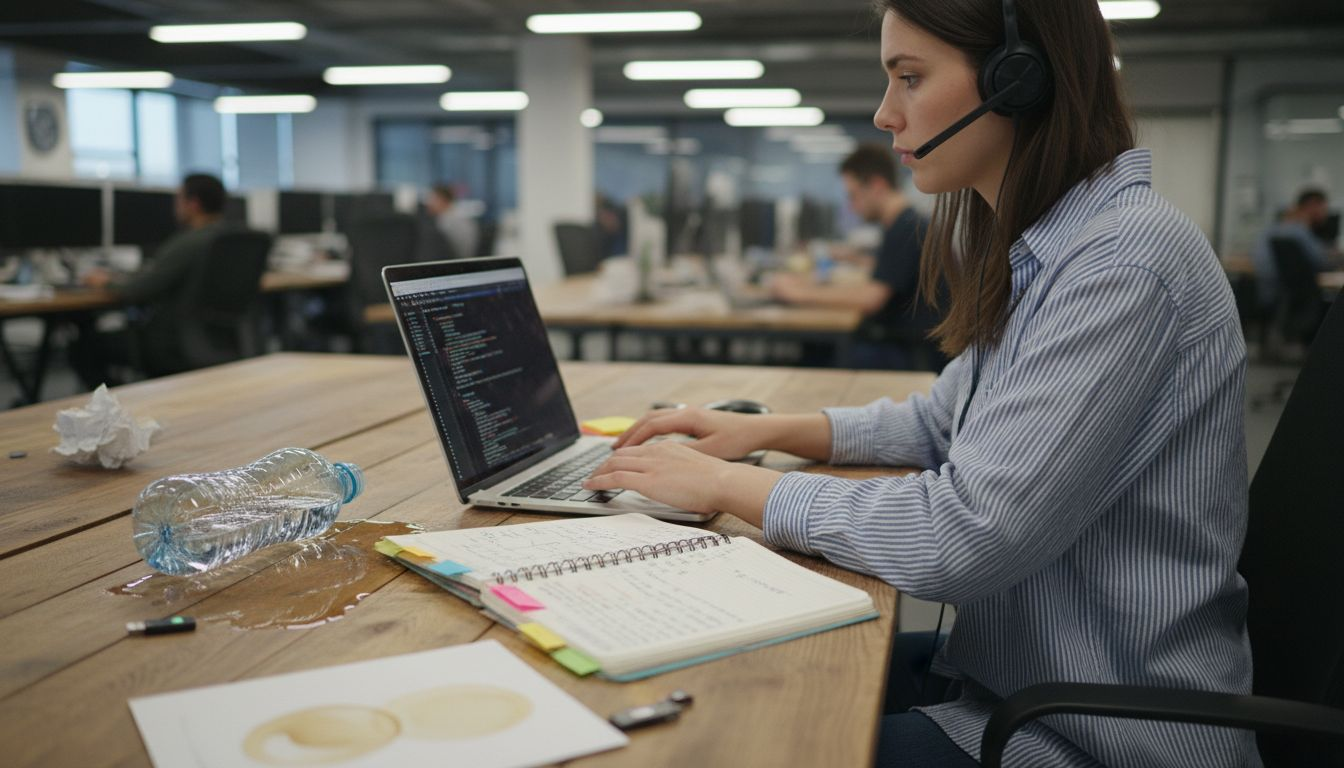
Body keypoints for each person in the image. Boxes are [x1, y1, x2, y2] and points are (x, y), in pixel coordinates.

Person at [584, 1, 1256, 766]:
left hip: (1093, 731)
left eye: (909, 77)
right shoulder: (1058, 247)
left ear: (1017, 80)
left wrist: (725, 485)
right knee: (731, 675)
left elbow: (967, 536)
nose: (884, 114)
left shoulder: (1121, 264)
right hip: (1023, 681)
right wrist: (762, 431)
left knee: (733, 743)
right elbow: (943, 420)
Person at [770, 144, 940, 369]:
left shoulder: (906, 227)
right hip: (906, 343)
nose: (851, 207)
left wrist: (797, 293)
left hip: (911, 353)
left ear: (877, 186)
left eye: (853, 196)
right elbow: (882, 275)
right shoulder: (905, 222)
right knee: (814, 351)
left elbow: (871, 298)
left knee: (813, 357)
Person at [73, 173, 230, 384]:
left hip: (170, 342)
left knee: (82, 348)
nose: (175, 207)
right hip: (218, 338)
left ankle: (117, 403)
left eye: (178, 199)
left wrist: (106, 282)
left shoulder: (189, 243)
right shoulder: (232, 239)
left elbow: (138, 291)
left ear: (193, 204)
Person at [1251, 188, 1340, 308]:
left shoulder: (1271, 231)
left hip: (1270, 296)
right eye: (1324, 208)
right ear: (1312, 206)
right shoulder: (1299, 231)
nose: (1325, 214)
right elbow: (1322, 261)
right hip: (1299, 302)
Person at [425, 184, 479, 260]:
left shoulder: (446, 220)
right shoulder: (458, 214)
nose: (428, 203)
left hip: (456, 260)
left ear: (443, 200)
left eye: (432, 199)